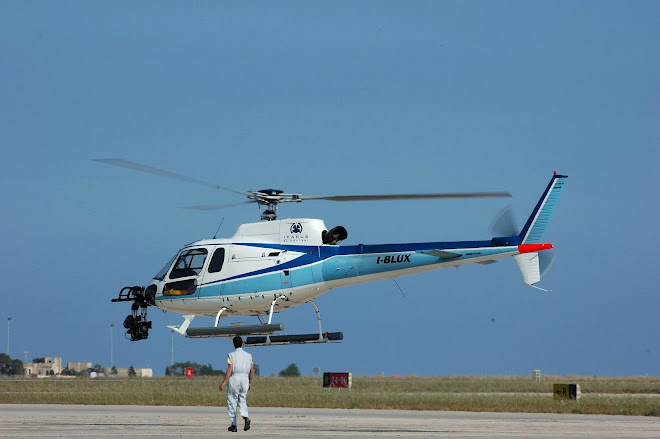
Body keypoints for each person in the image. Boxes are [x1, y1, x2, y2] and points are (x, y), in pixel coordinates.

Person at [219, 335, 253, 432]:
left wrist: (224, 382)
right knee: (242, 400)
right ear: (242, 343)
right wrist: (249, 382)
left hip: (235, 378)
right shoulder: (248, 356)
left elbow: (230, 369)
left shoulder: (231, 355)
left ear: (234, 344)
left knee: (232, 401)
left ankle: (234, 425)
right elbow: (251, 370)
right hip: (245, 379)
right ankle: (245, 417)